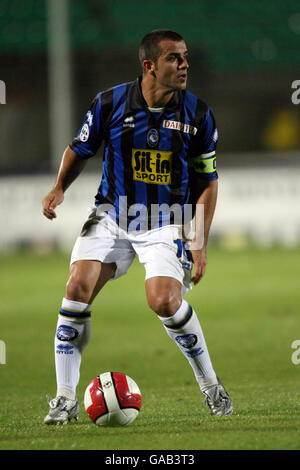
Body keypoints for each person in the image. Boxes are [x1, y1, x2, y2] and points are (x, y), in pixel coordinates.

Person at [42, 29, 233, 424]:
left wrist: (197, 241)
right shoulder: (109, 102)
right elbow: (80, 149)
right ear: (149, 66)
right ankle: (64, 398)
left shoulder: (197, 114)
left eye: (185, 57)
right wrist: (59, 187)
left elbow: (207, 182)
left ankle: (212, 386)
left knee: (163, 300)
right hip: (111, 215)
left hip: (165, 222)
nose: (184, 65)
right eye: (174, 59)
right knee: (77, 286)